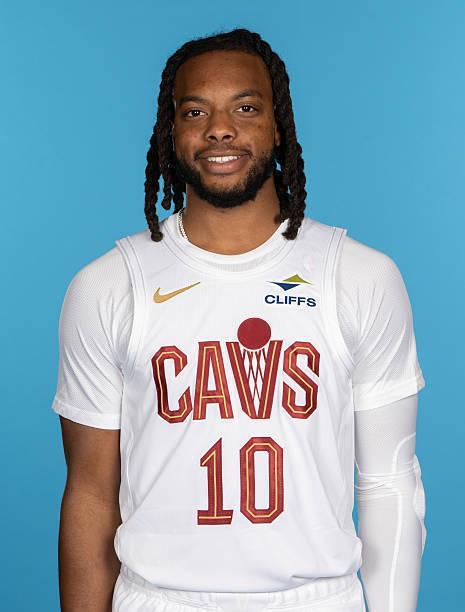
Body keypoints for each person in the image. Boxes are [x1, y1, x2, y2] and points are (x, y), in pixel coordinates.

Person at [52, 28, 427, 612]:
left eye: (245, 108)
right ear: (170, 132)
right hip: (158, 600)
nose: (219, 129)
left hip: (315, 601)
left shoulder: (359, 276)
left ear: (278, 126)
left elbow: (389, 481)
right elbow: (91, 494)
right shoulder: (107, 285)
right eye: (194, 111)